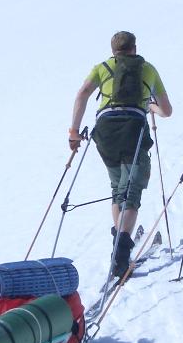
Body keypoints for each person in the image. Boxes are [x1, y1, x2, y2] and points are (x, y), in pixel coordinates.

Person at [70, 31, 173, 278]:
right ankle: (122, 253)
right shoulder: (147, 69)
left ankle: (119, 240)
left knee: (118, 188)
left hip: (105, 131)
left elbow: (83, 93)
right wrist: (150, 106)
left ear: (113, 50)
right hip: (133, 128)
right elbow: (167, 111)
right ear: (134, 48)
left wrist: (74, 131)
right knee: (132, 192)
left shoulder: (102, 68)